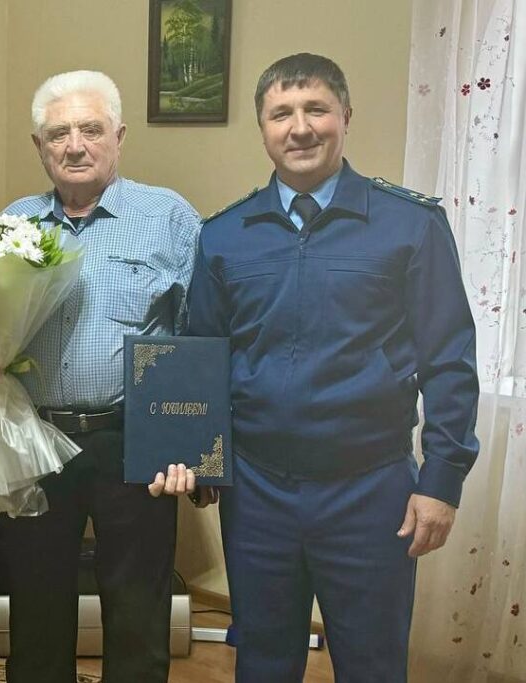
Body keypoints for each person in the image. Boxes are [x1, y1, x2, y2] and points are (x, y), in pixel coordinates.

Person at [187, 53, 480, 682]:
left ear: (345, 116)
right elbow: (200, 359)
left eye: (316, 109)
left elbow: (449, 361)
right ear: (262, 128)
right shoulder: (224, 235)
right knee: (262, 662)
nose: (300, 128)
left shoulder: (411, 225)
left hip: (371, 491)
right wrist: (198, 459)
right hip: (257, 493)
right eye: (281, 114)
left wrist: (442, 480)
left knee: (372, 664)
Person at [0, 70, 202, 683]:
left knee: (139, 608)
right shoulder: (13, 223)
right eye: (57, 134)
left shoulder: (169, 217)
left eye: (91, 130)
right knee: (35, 606)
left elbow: (198, 339)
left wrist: (191, 449)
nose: (74, 146)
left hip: (135, 440)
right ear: (38, 146)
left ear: (119, 136)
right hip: (34, 437)